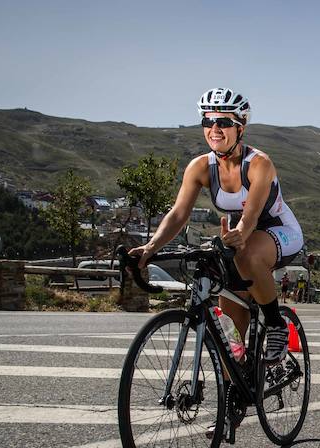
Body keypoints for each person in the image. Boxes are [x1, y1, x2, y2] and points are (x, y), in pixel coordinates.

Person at [128, 87, 304, 363]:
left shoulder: (259, 164)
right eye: (208, 122)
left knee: (247, 253)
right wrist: (151, 247)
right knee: (229, 348)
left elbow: (252, 215)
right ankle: (236, 390)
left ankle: (275, 324)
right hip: (237, 236)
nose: (215, 128)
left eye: (224, 122)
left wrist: (239, 236)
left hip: (277, 230)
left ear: (240, 127)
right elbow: (178, 214)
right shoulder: (200, 167)